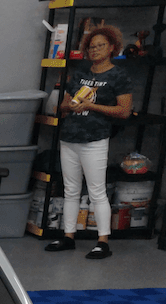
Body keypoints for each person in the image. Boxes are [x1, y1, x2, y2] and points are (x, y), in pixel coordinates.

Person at [45, 25, 134, 259]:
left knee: (97, 191)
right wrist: (70, 105)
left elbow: (124, 111)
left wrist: (90, 106)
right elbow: (62, 106)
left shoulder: (118, 75)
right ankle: (68, 236)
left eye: (100, 46)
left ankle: (103, 241)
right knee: (70, 189)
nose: (95, 50)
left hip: (95, 139)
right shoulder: (81, 73)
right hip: (70, 137)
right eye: (91, 47)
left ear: (112, 48)